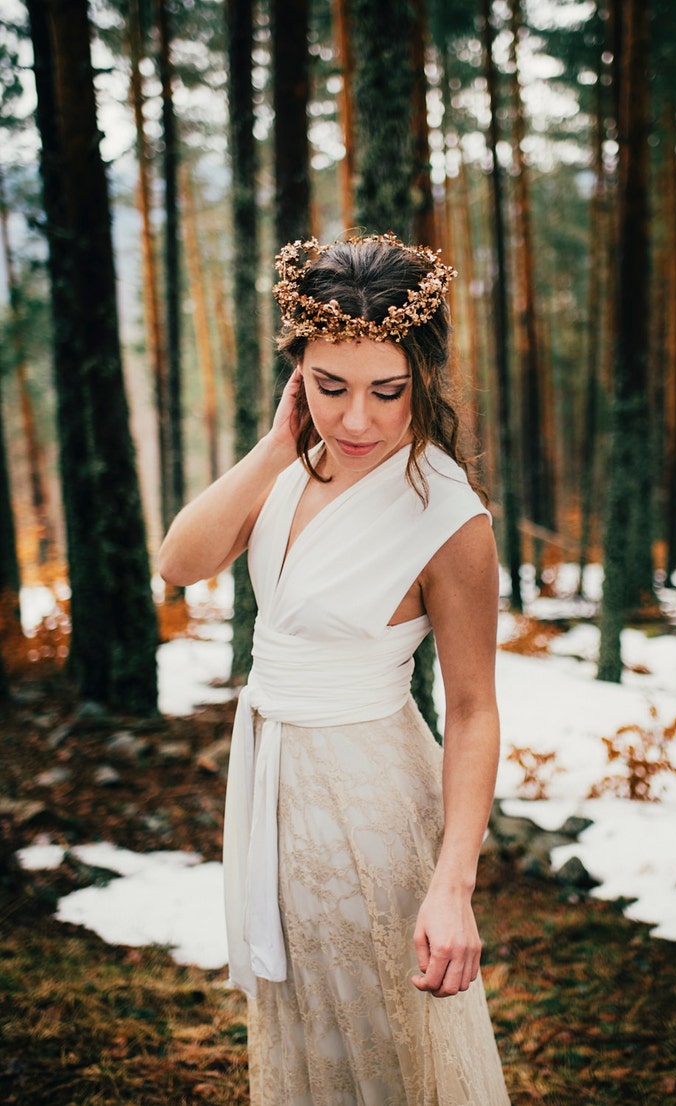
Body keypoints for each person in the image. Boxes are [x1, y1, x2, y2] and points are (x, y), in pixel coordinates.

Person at [158, 233, 510, 1105]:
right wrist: (277, 449)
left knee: (387, 1044)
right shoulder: (292, 470)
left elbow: (472, 711)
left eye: (388, 392)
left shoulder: (450, 519)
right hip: (273, 793)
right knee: (308, 1028)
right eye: (330, 387)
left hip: (373, 812)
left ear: (422, 377)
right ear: (297, 374)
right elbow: (179, 561)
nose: (357, 420)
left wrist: (452, 886)